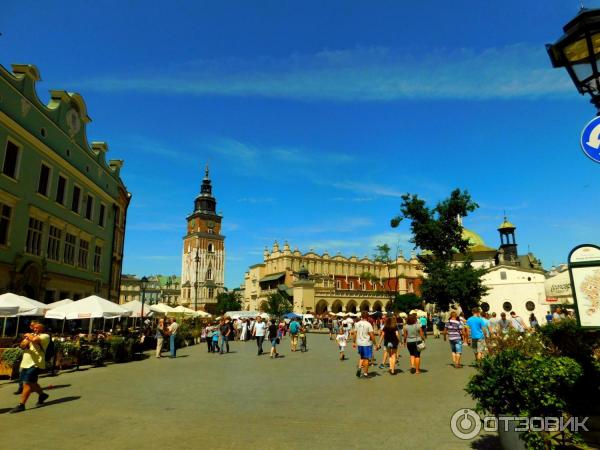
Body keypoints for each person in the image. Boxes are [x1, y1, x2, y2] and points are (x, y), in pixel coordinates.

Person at [10, 321, 50, 413]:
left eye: (37, 327)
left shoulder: (45, 336)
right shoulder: (30, 335)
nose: (35, 329)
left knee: (27, 383)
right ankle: (42, 395)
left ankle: (21, 405)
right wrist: (24, 344)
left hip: (35, 363)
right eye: (34, 327)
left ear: (42, 328)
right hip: (26, 361)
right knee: (32, 383)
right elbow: (22, 345)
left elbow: (35, 340)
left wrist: (28, 335)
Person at [352, 311, 376, 378]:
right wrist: (375, 343)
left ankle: (359, 368)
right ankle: (365, 373)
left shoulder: (357, 324)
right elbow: (372, 335)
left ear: (361, 316)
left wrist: (354, 342)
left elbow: (354, 333)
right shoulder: (368, 324)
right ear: (368, 317)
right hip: (367, 343)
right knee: (367, 359)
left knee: (362, 357)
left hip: (359, 343)